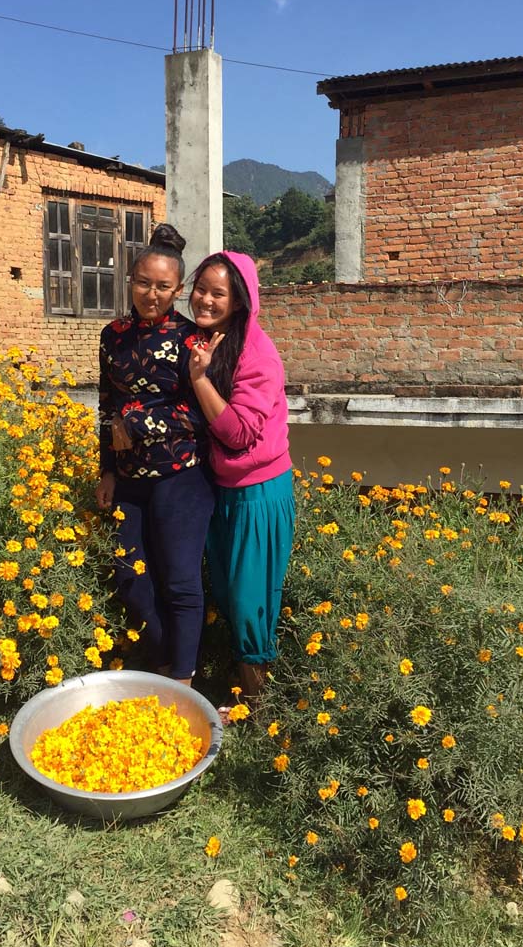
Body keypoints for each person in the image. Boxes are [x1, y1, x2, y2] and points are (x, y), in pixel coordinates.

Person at [96, 224, 214, 685]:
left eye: (163, 286)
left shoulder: (193, 341)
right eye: (144, 282)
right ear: (130, 279)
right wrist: (107, 468)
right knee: (130, 578)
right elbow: (107, 404)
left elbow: (204, 415)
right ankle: (165, 664)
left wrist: (141, 423)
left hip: (181, 475)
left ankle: (182, 681)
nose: (152, 293)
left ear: (178, 290)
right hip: (128, 477)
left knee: (179, 581)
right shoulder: (114, 335)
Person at [187, 251, 295, 706]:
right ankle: (244, 694)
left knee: (251, 601)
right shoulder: (209, 339)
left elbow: (237, 433)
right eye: (201, 289)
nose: (205, 300)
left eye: (218, 293)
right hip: (225, 489)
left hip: (257, 493)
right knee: (231, 595)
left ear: (240, 300)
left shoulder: (256, 351)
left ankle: (261, 708)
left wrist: (199, 380)